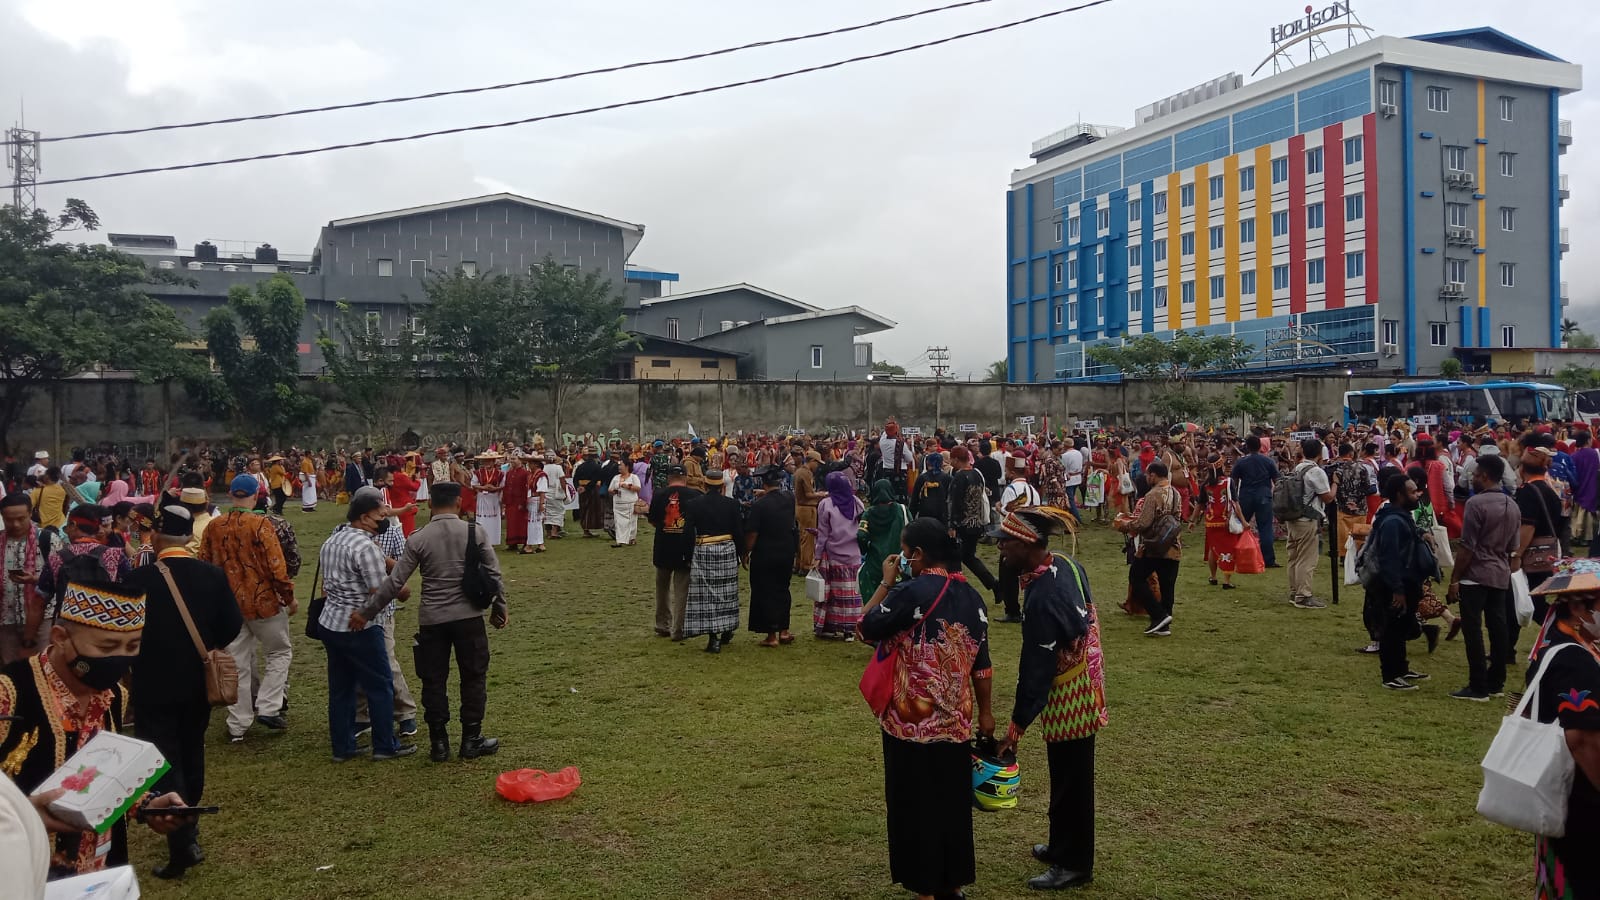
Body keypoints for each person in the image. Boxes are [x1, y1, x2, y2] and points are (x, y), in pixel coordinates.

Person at [0, 563, 192, 880]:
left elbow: (100, 777)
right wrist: (22, 813)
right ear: (61, 637)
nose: (119, 658)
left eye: (132, 646)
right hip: (23, 872)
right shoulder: (10, 692)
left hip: (100, 872)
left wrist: (145, 805)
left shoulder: (114, 695)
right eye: (106, 647)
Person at [859, 518, 994, 900]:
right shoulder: (973, 597)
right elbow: (982, 665)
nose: (902, 560)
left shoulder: (909, 592)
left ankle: (925, 887)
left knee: (912, 805)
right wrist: (985, 713)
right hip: (957, 721)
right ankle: (951, 882)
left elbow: (866, 627)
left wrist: (886, 582)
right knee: (952, 803)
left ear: (916, 555)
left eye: (905, 553)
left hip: (910, 722)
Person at [128, 505, 244, 878]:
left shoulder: (139, 578)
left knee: (162, 757)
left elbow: (124, 635)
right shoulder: (211, 574)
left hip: (151, 682)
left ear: (157, 538)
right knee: (192, 747)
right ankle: (188, 815)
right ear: (190, 537)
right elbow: (230, 626)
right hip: (197, 680)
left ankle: (183, 840)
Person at [992, 508, 1103, 892]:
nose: (1000, 549)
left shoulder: (1042, 596)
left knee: (1072, 780)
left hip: (1070, 693)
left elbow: (1037, 665)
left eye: (1005, 542)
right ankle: (1061, 846)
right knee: (1067, 774)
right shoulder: (1067, 566)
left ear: (1026, 543)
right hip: (1086, 683)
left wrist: (1017, 724)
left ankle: (1074, 863)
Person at [365, 481, 506, 762]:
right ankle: (471, 739)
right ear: (458, 503)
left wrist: (366, 612)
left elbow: (395, 582)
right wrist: (499, 607)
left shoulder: (418, 537)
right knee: (473, 678)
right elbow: (494, 573)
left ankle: (439, 743)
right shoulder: (473, 531)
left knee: (433, 681)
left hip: (432, 618)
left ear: (430, 505)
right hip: (469, 617)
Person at [317, 491, 418, 762]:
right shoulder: (366, 547)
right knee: (380, 685)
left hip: (331, 622)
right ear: (364, 518)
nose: (384, 520)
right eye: (380, 516)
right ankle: (385, 745)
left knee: (341, 689)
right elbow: (379, 591)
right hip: (361, 624)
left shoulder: (332, 540)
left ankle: (343, 747)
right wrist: (402, 590)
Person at [200, 475, 296, 743]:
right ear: (256, 496)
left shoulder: (214, 526)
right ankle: (268, 706)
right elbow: (276, 566)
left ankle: (238, 724)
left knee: (238, 663)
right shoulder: (261, 524)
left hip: (228, 606)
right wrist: (288, 597)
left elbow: (204, 564)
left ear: (231, 495)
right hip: (263, 601)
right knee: (279, 652)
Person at [1522, 571, 1600, 898]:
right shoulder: (1574, 659)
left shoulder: (1557, 640)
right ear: (1581, 608)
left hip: (1559, 793)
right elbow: (1582, 740)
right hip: (1583, 798)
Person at [1444, 454, 1521, 701]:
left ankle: (1477, 685)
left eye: (1476, 475)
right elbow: (1513, 545)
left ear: (1485, 476)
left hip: (1475, 574)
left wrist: (1455, 578)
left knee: (1473, 629)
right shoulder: (1513, 505)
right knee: (1498, 627)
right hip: (1500, 572)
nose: (1473, 478)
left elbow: (1467, 546)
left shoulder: (1476, 504)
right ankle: (1496, 681)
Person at [1365, 472, 1434, 690]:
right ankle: (1391, 675)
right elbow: (1389, 557)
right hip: (1396, 584)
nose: (1417, 495)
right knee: (1392, 629)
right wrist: (1397, 589)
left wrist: (1422, 533)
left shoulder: (1401, 515)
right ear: (1399, 494)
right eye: (1412, 492)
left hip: (1407, 581)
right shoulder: (1393, 521)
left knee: (1401, 626)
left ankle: (1401, 669)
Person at [681, 470, 744, 653]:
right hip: (727, 550)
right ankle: (727, 629)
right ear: (722, 486)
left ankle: (713, 639)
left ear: (705, 485)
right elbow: (738, 531)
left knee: (707, 596)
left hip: (704, 550)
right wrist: (741, 553)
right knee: (727, 593)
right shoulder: (732, 504)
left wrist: (687, 555)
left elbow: (687, 533)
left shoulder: (694, 504)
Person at [1116, 460, 1181, 637]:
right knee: (1168, 586)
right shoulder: (1175, 493)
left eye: (1147, 474)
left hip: (1152, 546)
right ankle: (1164, 623)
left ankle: (1158, 615)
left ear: (1153, 475)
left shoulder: (1153, 495)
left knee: (1136, 577)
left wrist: (1125, 525)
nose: (1146, 477)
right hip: (1172, 545)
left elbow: (1144, 523)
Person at [1512, 444, 1564, 656]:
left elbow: (1527, 526)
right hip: (1548, 552)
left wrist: (1517, 554)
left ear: (1522, 469)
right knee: (1528, 598)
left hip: (1532, 554)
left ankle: (1559, 634)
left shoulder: (1528, 492)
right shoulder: (1551, 489)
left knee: (1529, 600)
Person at [745, 465, 797, 647]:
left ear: (763, 483)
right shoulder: (790, 499)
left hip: (765, 552)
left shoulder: (759, 505)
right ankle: (784, 630)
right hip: (786, 550)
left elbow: (752, 534)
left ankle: (771, 635)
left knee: (764, 591)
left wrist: (746, 551)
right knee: (783, 589)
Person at [649, 465, 700, 640]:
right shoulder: (695, 495)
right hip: (685, 547)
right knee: (682, 590)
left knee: (662, 588)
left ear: (669, 478)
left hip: (663, 545)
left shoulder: (659, 494)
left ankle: (662, 624)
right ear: (685, 478)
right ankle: (679, 628)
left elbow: (654, 521)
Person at [814, 470, 865, 640]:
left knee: (834, 595)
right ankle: (851, 629)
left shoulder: (825, 504)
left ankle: (831, 626)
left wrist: (817, 555)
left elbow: (823, 534)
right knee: (852, 594)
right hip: (854, 555)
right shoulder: (857, 502)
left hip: (834, 555)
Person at [1285, 438, 1334, 609]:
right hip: (1307, 518)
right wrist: (1335, 484)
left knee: (1294, 556)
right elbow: (1327, 497)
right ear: (1320, 454)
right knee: (1307, 558)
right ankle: (1303, 595)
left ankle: (1294, 591)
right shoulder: (1316, 471)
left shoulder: (1298, 468)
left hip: (1293, 516)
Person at [0, 492, 48, 664]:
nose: (15, 524)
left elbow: (60, 578)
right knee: (10, 669)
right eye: (9, 519)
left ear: (30, 513)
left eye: (21, 518)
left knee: (42, 667)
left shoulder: (47, 539)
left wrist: (35, 579)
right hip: (7, 618)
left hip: (44, 618)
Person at [994, 457, 1042, 623]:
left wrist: (999, 508)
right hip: (1031, 535)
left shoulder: (1011, 489)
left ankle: (1013, 610)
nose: (1006, 473)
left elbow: (1010, 514)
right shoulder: (1032, 489)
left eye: (1007, 471)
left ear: (1012, 472)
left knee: (1008, 576)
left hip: (1014, 537)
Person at [1193, 452, 1241, 590]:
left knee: (1212, 549)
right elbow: (1235, 503)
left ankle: (1213, 577)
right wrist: (1243, 521)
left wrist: (1192, 520)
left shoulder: (1205, 485)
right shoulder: (1228, 482)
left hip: (1211, 521)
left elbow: (1200, 504)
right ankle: (1226, 580)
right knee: (1228, 548)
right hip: (1226, 520)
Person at [1230, 435, 1280, 568]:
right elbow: (1277, 480)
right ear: (1260, 446)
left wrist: (1233, 499)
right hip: (1264, 496)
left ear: (1246, 447)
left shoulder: (1241, 462)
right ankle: (1268, 560)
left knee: (1240, 525)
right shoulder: (1268, 461)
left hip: (1246, 496)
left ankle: (1236, 555)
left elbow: (1233, 482)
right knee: (1265, 528)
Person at [858, 479, 909, 603]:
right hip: (898, 564)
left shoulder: (868, 514)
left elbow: (861, 535)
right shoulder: (901, 510)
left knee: (874, 602)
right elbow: (912, 530)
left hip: (875, 565)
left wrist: (866, 548)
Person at [1328, 442, 1372, 562]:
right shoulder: (1361, 468)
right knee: (1359, 532)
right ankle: (1359, 554)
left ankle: (1343, 556)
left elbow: (1332, 486)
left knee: (1343, 533)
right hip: (1360, 506)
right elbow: (1367, 487)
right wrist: (1355, 501)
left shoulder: (1335, 468)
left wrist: (1347, 501)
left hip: (1343, 506)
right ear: (1351, 453)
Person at [794, 450, 822, 574]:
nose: (818, 466)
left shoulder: (799, 471)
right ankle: (805, 566)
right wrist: (822, 494)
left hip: (800, 507)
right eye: (817, 463)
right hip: (807, 507)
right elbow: (809, 494)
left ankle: (799, 563)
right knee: (808, 538)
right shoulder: (806, 473)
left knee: (801, 537)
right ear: (812, 461)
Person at [470, 451, 505, 547]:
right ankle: (481, 540)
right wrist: (484, 487)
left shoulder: (500, 473)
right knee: (482, 519)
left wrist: (495, 489)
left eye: (489, 461)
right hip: (482, 497)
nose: (487, 464)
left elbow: (503, 485)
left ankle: (492, 540)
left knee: (493, 520)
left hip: (493, 498)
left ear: (494, 462)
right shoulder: (478, 473)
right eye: (485, 461)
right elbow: (473, 484)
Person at [572, 448, 605, 538]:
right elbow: (595, 480)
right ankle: (589, 528)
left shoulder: (580, 466)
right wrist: (586, 488)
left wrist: (578, 487)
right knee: (592, 510)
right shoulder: (597, 467)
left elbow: (575, 479)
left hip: (581, 489)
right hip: (592, 490)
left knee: (583, 508)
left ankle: (585, 530)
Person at [609, 461, 642, 548]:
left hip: (630, 503)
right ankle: (619, 541)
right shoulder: (616, 477)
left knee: (631, 522)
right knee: (618, 523)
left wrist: (628, 487)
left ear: (627, 466)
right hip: (618, 504)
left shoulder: (633, 477)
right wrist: (614, 491)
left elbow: (638, 488)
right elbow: (610, 489)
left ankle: (631, 539)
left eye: (621, 465)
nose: (619, 467)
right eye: (619, 465)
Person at [502, 454, 531, 552]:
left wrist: (523, 502)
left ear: (520, 460)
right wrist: (504, 500)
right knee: (510, 523)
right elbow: (506, 487)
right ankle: (512, 543)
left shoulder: (525, 473)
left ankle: (524, 542)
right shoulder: (509, 473)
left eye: (514, 459)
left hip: (519, 501)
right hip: (510, 502)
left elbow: (526, 489)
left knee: (521, 523)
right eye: (511, 459)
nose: (512, 461)